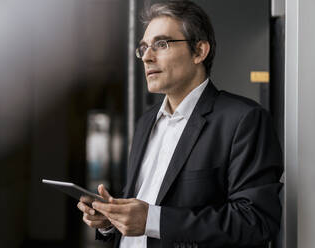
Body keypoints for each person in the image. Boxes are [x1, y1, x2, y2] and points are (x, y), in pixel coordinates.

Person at [77, 1, 283, 247]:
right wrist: (111, 220)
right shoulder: (146, 122)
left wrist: (154, 220)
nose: (147, 57)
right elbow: (144, 203)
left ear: (199, 51)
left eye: (161, 44)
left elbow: (256, 221)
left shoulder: (244, 119)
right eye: (143, 48)